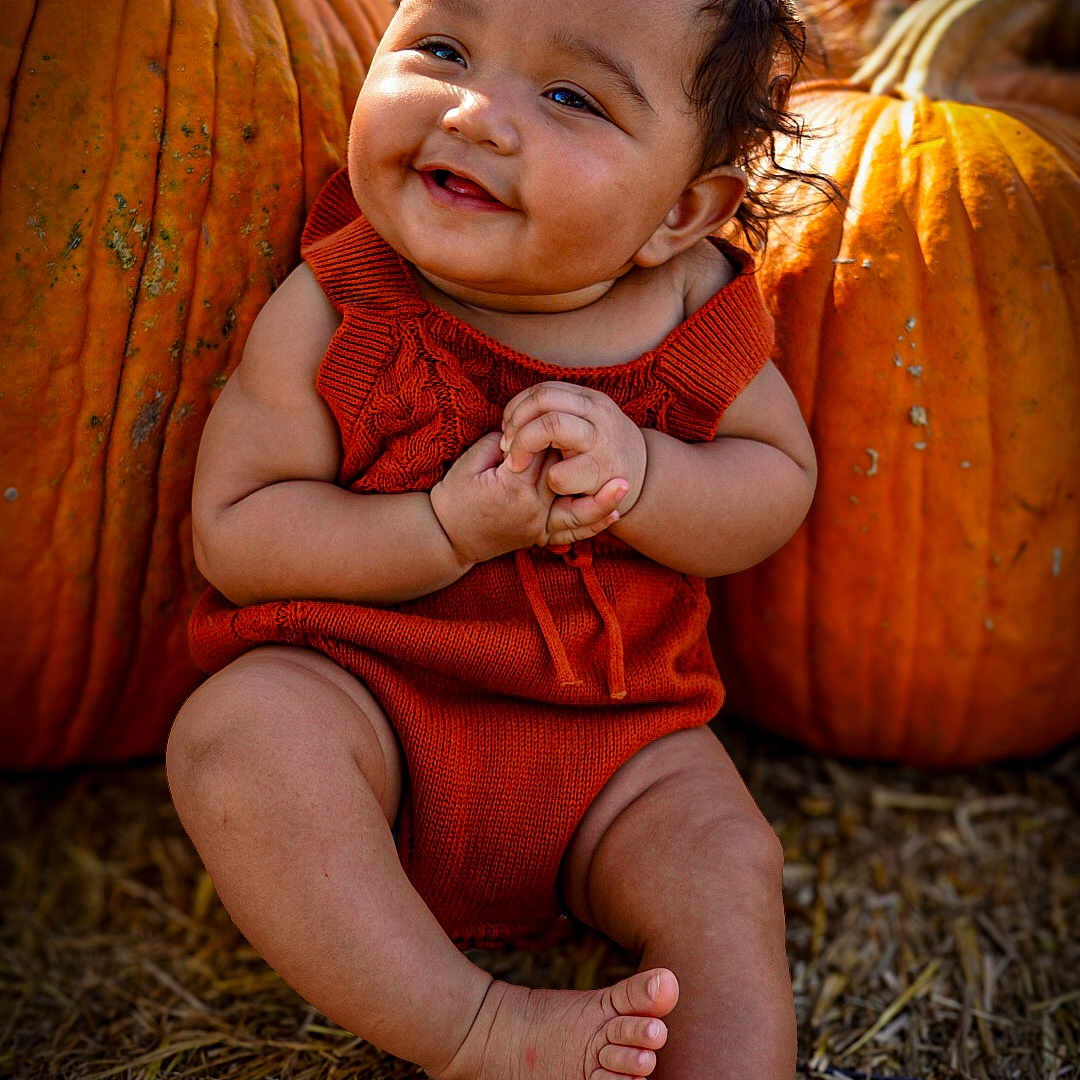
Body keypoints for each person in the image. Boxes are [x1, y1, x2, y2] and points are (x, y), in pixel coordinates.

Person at [166, 0, 824, 1076]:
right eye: (444, 50)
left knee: (723, 854)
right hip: (368, 708)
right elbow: (236, 532)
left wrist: (645, 473)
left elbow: (776, 485)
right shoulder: (338, 304)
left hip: (619, 743)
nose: (475, 114)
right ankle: (472, 1029)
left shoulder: (693, 311)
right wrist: (438, 529)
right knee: (237, 739)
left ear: (681, 212)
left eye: (571, 97)